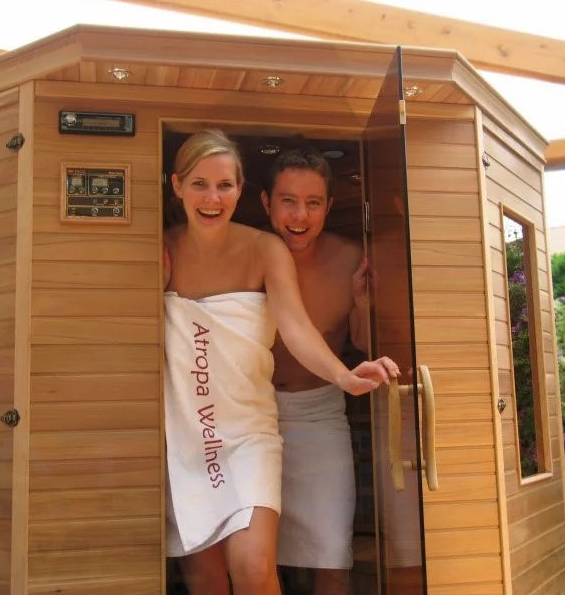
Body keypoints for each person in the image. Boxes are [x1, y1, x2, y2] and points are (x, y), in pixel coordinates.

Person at [162, 129, 398, 595]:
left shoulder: (266, 250)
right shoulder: (160, 249)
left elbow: (295, 327)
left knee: (254, 567)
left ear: (240, 190)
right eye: (199, 184)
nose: (212, 198)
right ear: (177, 186)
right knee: (206, 579)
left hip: (252, 427)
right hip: (188, 430)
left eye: (224, 185)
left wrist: (344, 376)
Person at [259, 148, 370, 595]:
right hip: (252, 415)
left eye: (313, 202)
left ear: (328, 207)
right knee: (254, 556)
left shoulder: (350, 258)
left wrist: (362, 303)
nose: (299, 216)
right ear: (266, 202)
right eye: (288, 200)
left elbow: (364, 343)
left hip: (320, 413)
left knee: (332, 551)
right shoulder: (246, 253)